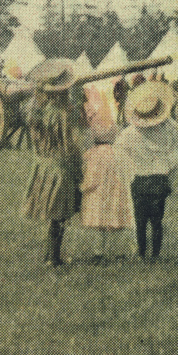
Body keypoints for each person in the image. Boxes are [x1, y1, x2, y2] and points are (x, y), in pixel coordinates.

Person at [21, 59, 82, 268]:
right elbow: (71, 144)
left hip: (43, 166)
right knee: (60, 216)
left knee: (53, 216)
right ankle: (54, 258)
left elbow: (36, 139)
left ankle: (50, 255)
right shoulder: (63, 114)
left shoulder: (38, 112)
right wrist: (78, 168)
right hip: (60, 168)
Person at [115, 81, 178, 262]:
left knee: (140, 222)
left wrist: (129, 170)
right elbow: (174, 157)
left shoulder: (129, 134)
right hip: (159, 179)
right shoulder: (167, 130)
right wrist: (168, 172)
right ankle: (156, 254)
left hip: (140, 180)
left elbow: (117, 150)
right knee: (157, 221)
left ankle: (142, 254)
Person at [79, 89, 132, 262]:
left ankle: (98, 251)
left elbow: (88, 143)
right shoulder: (112, 127)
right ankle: (117, 250)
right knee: (113, 207)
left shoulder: (93, 129)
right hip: (112, 166)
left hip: (98, 170)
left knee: (99, 212)